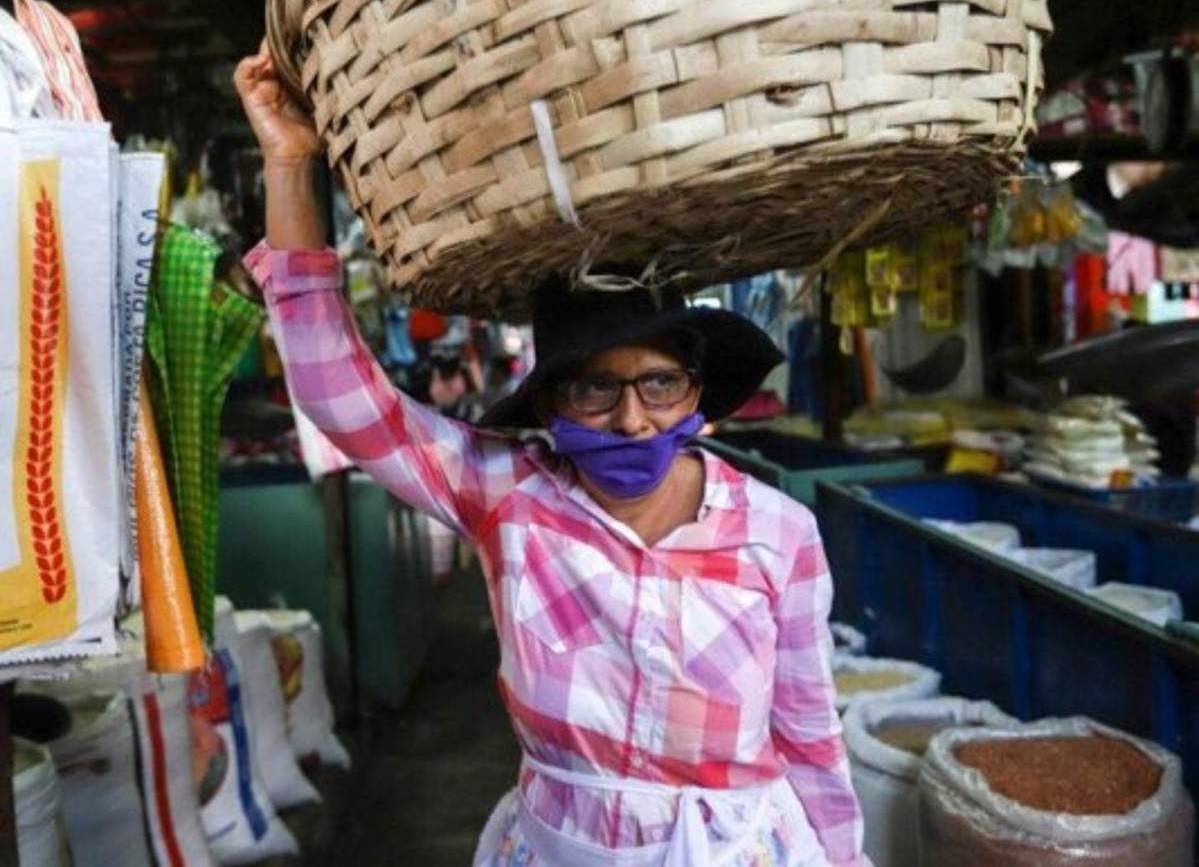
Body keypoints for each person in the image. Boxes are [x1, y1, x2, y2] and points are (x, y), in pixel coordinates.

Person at [234, 44, 867, 867]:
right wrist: (289, 165)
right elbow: (341, 401)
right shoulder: (510, 496)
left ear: (697, 389)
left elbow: (811, 735)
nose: (634, 421)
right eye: (594, 391)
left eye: (660, 384)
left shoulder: (777, 534)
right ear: (547, 403)